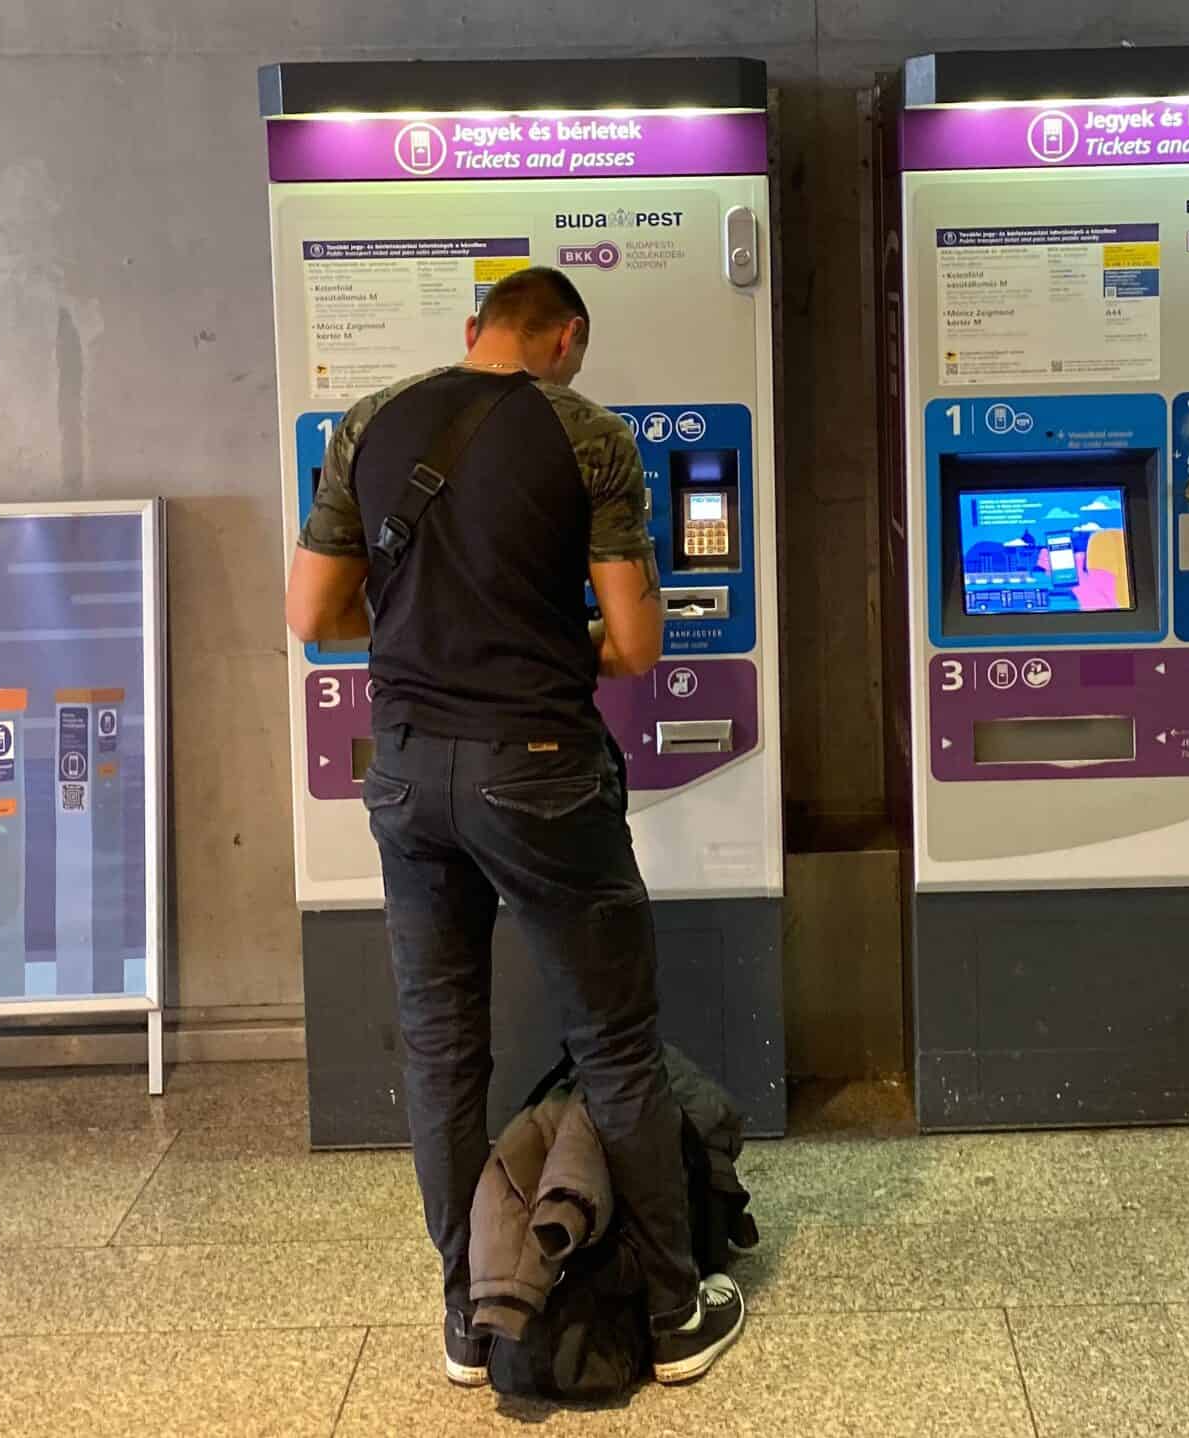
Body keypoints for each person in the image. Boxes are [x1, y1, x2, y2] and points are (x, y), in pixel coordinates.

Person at [285, 266, 744, 1388]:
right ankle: (678, 1313)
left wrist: (436, 647)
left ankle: (468, 1314)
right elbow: (637, 646)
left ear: (473, 330)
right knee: (615, 1047)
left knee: (443, 1050)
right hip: (535, 770)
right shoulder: (586, 437)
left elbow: (316, 616)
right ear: (565, 337)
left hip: (402, 770)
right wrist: (547, 647)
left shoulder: (368, 424)